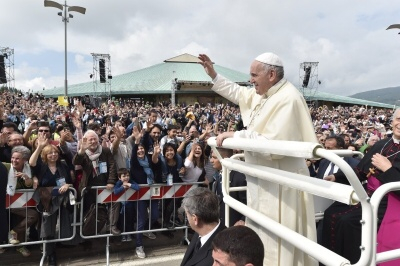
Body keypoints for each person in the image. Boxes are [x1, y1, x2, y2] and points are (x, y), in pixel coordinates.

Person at [199, 53, 318, 265]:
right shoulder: (266, 94)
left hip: (283, 183)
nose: (250, 80)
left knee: (281, 239)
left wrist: (236, 135)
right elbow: (239, 94)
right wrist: (214, 75)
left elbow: (274, 143)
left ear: (271, 74)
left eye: (254, 75)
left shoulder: (288, 98)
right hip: (264, 181)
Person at [322, 108, 400, 265]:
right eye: (398, 119)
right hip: (367, 194)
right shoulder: (381, 144)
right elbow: (361, 172)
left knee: (347, 220)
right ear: (392, 121)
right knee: (330, 213)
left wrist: (388, 169)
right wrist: (337, 177)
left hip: (388, 202)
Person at [29, 136, 73, 266]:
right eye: (50, 153)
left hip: (62, 201)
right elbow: (31, 163)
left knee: (63, 225)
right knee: (48, 228)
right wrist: (39, 147)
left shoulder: (63, 166)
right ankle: (50, 254)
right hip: (47, 202)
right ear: (45, 155)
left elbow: (70, 182)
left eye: (55, 153)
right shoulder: (41, 166)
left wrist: (67, 186)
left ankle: (62, 244)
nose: (53, 155)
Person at [130, 126, 162, 258]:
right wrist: (137, 142)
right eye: (138, 149)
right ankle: (139, 245)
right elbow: (133, 153)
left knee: (154, 216)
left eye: (142, 148)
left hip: (153, 190)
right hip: (140, 194)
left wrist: (155, 154)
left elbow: (155, 163)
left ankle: (146, 230)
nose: (140, 150)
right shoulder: (134, 162)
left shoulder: (148, 159)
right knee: (141, 220)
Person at [180, 187, 226, 266]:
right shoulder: (200, 232)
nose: (186, 218)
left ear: (195, 219)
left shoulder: (219, 256)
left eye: (187, 214)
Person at [210, 147, 246, 227]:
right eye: (211, 157)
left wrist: (242, 220)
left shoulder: (239, 178)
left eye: (214, 157)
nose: (211, 160)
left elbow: (248, 204)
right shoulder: (218, 175)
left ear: (225, 159)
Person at [113, 168, 140, 242]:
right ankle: (123, 235)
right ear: (119, 178)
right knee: (122, 221)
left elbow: (137, 187)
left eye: (128, 175)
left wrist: (129, 184)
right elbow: (115, 191)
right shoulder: (119, 183)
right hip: (122, 207)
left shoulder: (130, 181)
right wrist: (123, 187)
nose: (126, 177)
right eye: (124, 176)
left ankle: (129, 234)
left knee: (130, 220)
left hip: (130, 206)